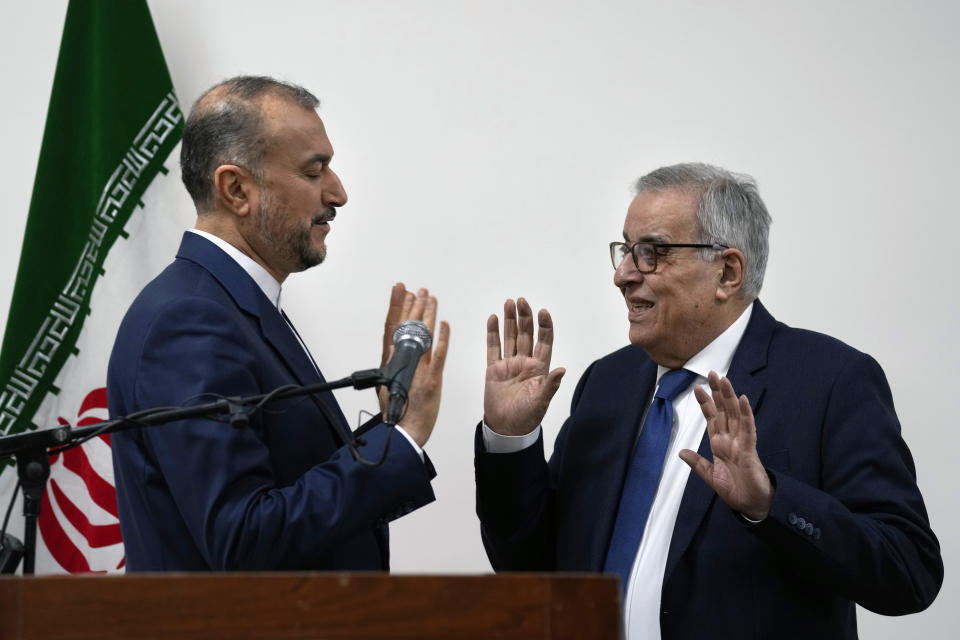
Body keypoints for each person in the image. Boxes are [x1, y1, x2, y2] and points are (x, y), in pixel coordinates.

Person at [475, 163, 942, 638]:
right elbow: (531, 565)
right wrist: (511, 440)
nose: (622, 275)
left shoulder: (830, 382)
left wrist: (769, 504)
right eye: (625, 251)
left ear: (728, 272)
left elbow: (909, 571)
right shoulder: (607, 382)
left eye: (651, 253)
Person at [108, 76, 449, 571]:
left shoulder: (231, 304)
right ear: (236, 189)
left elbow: (288, 479)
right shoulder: (189, 322)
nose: (339, 193)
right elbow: (244, 537)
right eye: (315, 173)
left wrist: (393, 420)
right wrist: (402, 437)